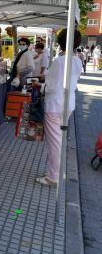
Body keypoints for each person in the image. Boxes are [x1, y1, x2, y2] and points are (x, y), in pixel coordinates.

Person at [34, 29, 82, 186]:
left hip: (55, 104)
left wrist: (39, 86)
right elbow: (64, 80)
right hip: (68, 104)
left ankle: (52, 177)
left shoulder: (59, 61)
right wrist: (46, 77)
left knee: (55, 142)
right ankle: (58, 172)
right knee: (60, 140)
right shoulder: (77, 60)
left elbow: (52, 87)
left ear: (61, 42)